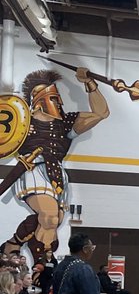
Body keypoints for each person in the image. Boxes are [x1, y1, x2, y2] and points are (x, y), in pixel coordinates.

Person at [2, 68, 110, 264]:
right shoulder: (23, 120)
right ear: (38, 99)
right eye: (52, 97)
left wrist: (89, 83)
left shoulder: (66, 123)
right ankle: (41, 264)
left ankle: (16, 246)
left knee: (53, 221)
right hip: (32, 169)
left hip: (57, 174)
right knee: (49, 217)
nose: (57, 101)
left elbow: (101, 112)